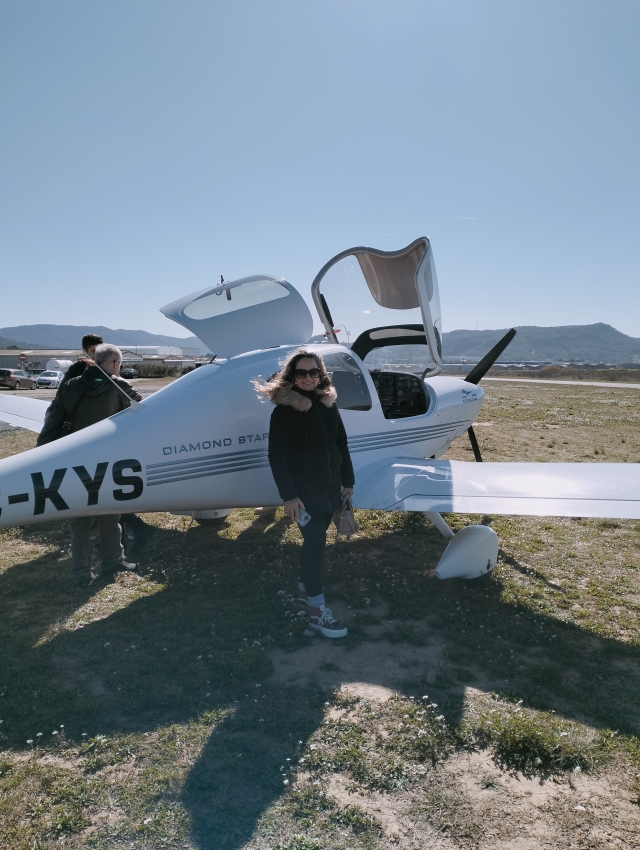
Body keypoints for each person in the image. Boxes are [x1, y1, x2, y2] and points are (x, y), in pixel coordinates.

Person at [257, 349, 355, 638]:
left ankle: (303, 593)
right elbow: (277, 456)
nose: (309, 378)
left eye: (314, 372)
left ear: (321, 375)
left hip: (329, 485)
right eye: (302, 373)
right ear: (292, 376)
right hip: (303, 490)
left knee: (316, 540)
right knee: (315, 543)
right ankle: (316, 610)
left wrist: (347, 481)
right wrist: (289, 496)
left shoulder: (329, 406)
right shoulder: (284, 412)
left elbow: (341, 444)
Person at [37, 344, 142, 585]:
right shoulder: (120, 386)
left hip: (74, 459)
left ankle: (81, 572)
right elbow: (142, 418)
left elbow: (53, 419)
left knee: (79, 519)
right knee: (109, 514)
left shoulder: (70, 386)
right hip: (108, 461)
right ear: (115, 364)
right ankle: (112, 561)